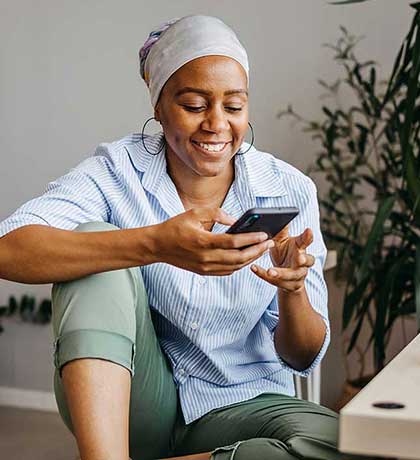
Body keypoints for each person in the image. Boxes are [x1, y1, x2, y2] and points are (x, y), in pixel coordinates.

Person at [0, 14, 344, 460]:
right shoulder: (115, 172)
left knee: (346, 443)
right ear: (159, 107)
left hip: (245, 404)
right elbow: (9, 249)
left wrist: (292, 290)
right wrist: (153, 244)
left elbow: (301, 358)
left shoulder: (288, 187)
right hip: (137, 403)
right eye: (195, 105)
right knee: (95, 248)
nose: (217, 124)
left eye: (234, 106)